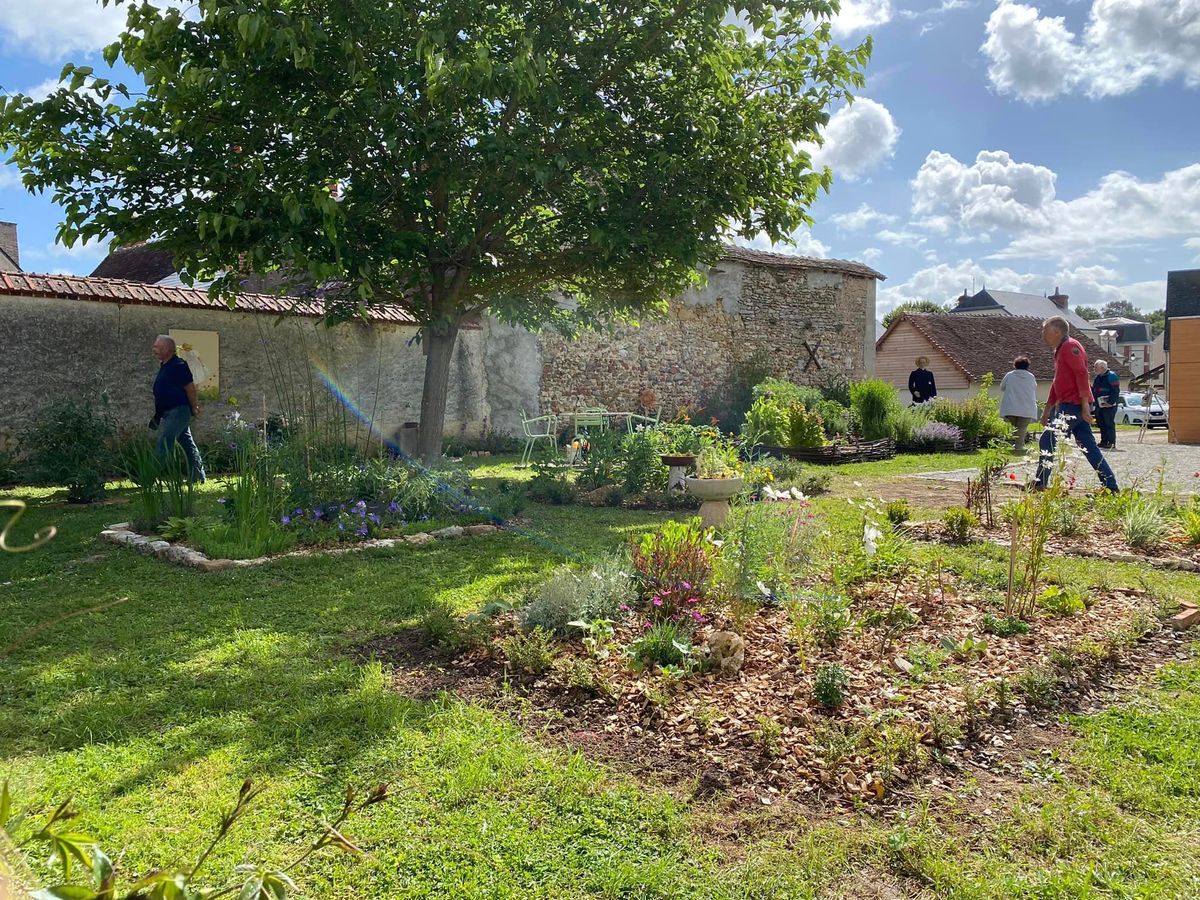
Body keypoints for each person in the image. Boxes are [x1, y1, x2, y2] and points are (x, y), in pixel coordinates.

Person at [1034, 317, 1118, 492]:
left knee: (1047, 440)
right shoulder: (1060, 350)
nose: (1043, 335)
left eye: (1045, 331)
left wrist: (1085, 405)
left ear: (1057, 331)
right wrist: (1047, 410)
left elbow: (1081, 374)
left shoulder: (1070, 347)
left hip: (1073, 406)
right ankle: (1111, 486)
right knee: (1088, 447)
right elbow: (1058, 383)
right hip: (1071, 404)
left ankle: (1040, 483)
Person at [150, 334, 206, 482]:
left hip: (178, 410)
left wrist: (195, 407)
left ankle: (148, 477)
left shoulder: (178, 365)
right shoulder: (166, 366)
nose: (153, 349)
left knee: (164, 441)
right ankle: (198, 476)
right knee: (187, 444)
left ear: (167, 348)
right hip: (170, 412)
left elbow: (190, 388)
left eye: (157, 346)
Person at [999, 356, 1038, 453]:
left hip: (1011, 407)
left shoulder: (1009, 375)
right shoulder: (1031, 377)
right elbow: (1034, 387)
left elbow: (1002, 387)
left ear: (1015, 365)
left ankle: (1014, 445)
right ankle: (1018, 447)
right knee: (1022, 428)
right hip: (1026, 408)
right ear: (1027, 366)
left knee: (1015, 427)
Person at [1091, 359, 1121, 449]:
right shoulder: (1098, 377)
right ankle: (1104, 441)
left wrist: (1110, 402)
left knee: (1109, 423)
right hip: (1099, 404)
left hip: (1109, 405)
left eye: (1096, 368)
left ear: (1102, 367)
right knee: (1101, 423)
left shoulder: (1112, 376)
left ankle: (1111, 442)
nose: (1094, 370)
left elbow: (1115, 391)